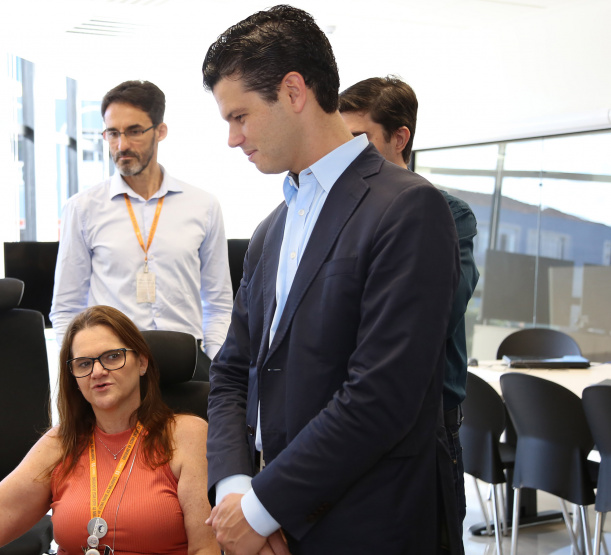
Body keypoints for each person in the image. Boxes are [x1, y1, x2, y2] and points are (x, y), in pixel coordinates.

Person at [201, 5, 459, 554]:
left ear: (294, 91)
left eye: (239, 116)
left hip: (366, 527)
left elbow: (381, 397)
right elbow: (230, 372)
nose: (232, 138)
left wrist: (261, 508)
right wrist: (237, 488)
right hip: (273, 520)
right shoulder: (272, 229)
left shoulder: (408, 208)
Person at [0, 305, 220, 555]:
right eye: (83, 364)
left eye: (112, 357)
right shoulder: (60, 443)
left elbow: (205, 548)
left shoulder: (186, 434)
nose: (97, 371)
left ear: (141, 362)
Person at [339, 75, 480, 553]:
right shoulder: (340, 216)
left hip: (429, 418)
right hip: (357, 410)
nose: (347, 153)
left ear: (399, 138)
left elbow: (433, 311)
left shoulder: (446, 212)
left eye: (360, 139)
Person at [50, 80, 233, 378]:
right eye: (112, 133)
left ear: (160, 131)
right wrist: (81, 370)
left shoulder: (203, 206)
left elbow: (219, 300)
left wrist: (213, 360)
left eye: (134, 131)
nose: (121, 145)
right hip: (112, 367)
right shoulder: (82, 208)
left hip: (187, 364)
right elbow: (66, 306)